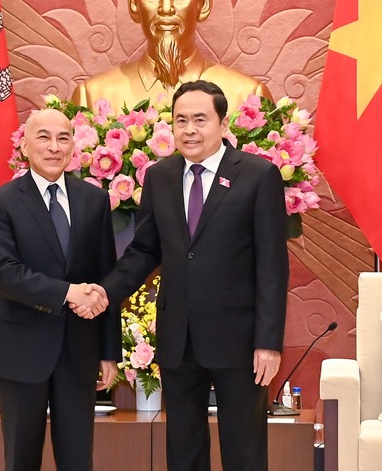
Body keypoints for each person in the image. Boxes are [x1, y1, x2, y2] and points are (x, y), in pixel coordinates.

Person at [93, 80, 289, 470]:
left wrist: (268, 342)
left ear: (222, 123)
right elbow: (145, 250)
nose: (189, 130)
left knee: (244, 450)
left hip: (240, 339)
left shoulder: (257, 175)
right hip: (178, 337)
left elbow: (272, 265)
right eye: (180, 120)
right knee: (183, 450)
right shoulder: (160, 176)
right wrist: (103, 292)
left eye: (200, 119)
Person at [0, 108, 119, 471]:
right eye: (44, 137)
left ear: (74, 146)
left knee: (77, 460)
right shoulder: (2, 202)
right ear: (25, 145)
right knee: (20, 459)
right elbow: (3, 273)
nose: (54, 147)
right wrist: (67, 293)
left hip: (79, 352)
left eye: (63, 138)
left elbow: (106, 276)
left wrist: (109, 351)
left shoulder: (94, 200)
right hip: (21, 352)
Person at [71, 0, 273, 113]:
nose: (166, 8)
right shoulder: (92, 96)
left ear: (202, 5)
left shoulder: (248, 96)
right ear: (134, 6)